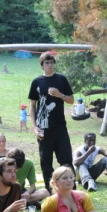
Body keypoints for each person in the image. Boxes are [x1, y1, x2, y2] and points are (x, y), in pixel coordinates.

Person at [28, 52, 75, 191]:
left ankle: (71, 191)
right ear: (42, 65)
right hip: (43, 129)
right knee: (46, 163)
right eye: (47, 63)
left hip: (60, 128)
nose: (50, 65)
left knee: (66, 160)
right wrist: (34, 127)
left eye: (52, 62)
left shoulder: (61, 79)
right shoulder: (37, 82)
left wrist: (60, 95)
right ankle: (50, 192)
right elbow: (32, 106)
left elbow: (71, 100)